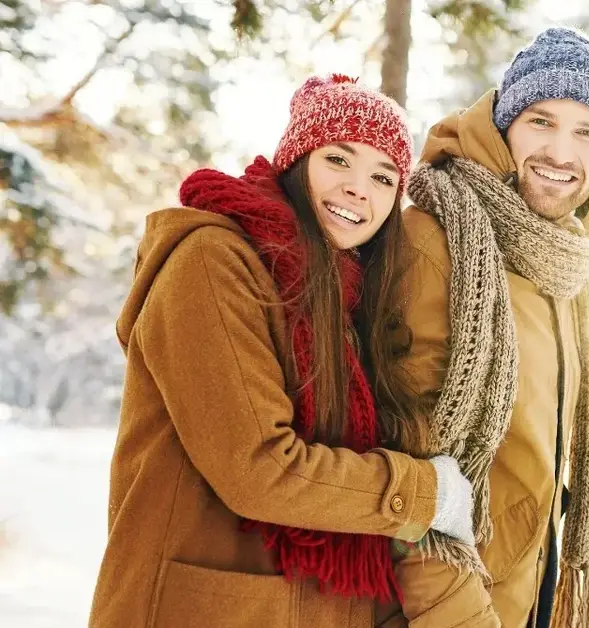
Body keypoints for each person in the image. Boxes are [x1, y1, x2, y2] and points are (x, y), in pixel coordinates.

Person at [87, 74, 476, 628]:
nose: (358, 189)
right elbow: (260, 467)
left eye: (383, 177)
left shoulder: (349, 298)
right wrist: (422, 494)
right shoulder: (212, 263)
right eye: (338, 160)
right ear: (297, 163)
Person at [387, 26, 589, 628]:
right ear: (504, 125)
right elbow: (410, 462)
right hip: (450, 608)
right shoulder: (438, 239)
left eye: (587, 132)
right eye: (541, 121)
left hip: (531, 593)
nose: (561, 153)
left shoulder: (575, 262)